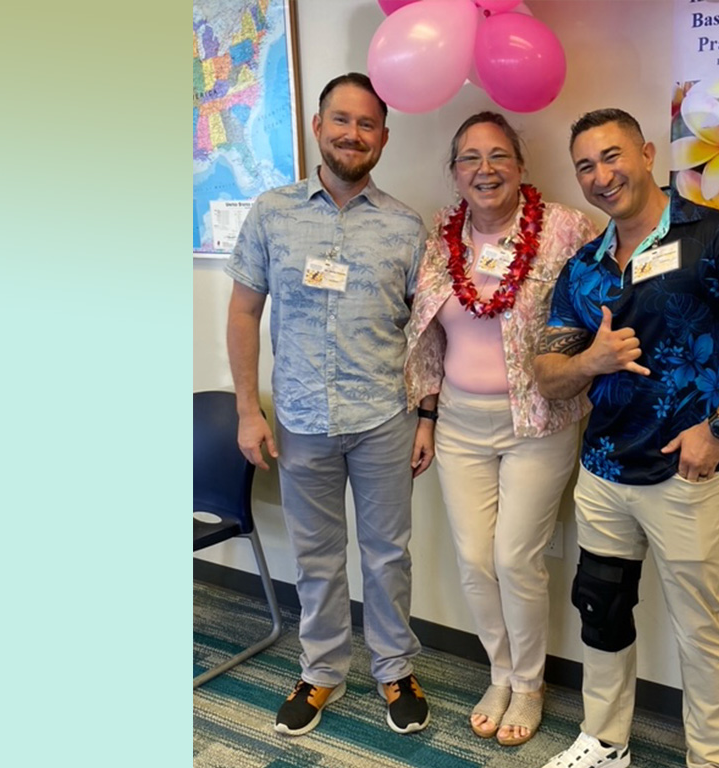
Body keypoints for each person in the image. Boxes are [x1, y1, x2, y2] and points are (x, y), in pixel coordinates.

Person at [534, 109, 719, 768]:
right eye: (585, 165)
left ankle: (712, 759)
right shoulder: (585, 265)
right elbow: (547, 373)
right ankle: (606, 740)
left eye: (612, 156)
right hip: (605, 471)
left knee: (700, 629)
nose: (601, 175)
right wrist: (591, 361)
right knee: (601, 606)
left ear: (646, 153)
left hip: (689, 474)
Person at [224, 73, 432, 739]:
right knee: (315, 555)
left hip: (383, 420)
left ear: (383, 138)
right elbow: (244, 311)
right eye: (340, 120)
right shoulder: (271, 212)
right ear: (317, 127)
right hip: (302, 420)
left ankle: (395, 667)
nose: (352, 134)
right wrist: (246, 412)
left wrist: (426, 414)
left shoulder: (405, 226)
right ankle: (320, 672)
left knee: (388, 553)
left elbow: (427, 331)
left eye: (366, 124)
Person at [405, 112, 597, 746]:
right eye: (469, 158)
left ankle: (532, 683)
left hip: (538, 421)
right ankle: (501, 671)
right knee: (472, 559)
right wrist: (427, 415)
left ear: (519, 164)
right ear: (454, 171)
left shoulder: (567, 228)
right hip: (459, 421)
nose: (483, 170)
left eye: (497, 156)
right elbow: (427, 335)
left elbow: (607, 301)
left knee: (515, 557)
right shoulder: (440, 235)